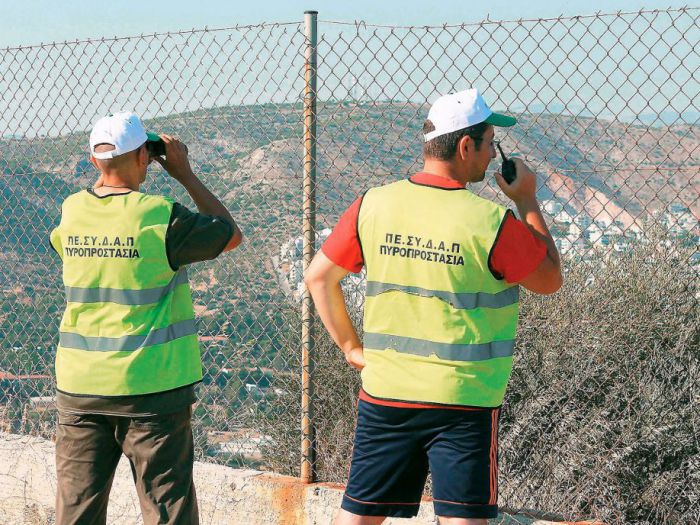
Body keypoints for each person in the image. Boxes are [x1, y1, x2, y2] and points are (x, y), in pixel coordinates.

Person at [305, 89, 562, 525]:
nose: (491, 157)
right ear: (466, 146)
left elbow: (317, 278)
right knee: (464, 518)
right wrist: (526, 201)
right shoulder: (489, 222)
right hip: (463, 401)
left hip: (387, 391)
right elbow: (550, 279)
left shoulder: (373, 203)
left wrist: (352, 350)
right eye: (490, 144)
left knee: (358, 517)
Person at [49, 111, 242, 524]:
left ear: (93, 161)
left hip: (80, 384)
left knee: (76, 509)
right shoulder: (160, 217)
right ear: (144, 157)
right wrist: (185, 175)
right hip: (151, 389)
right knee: (166, 508)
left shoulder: (71, 212)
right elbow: (229, 233)